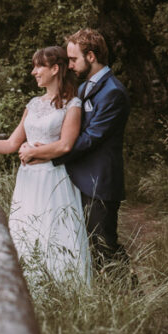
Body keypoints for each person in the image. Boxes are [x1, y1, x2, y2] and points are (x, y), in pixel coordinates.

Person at [0, 46, 91, 286]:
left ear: (55, 69)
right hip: (28, 182)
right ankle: (28, 289)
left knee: (56, 233)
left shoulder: (73, 104)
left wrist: (33, 151)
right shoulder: (34, 104)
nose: (34, 71)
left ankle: (65, 290)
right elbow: (12, 143)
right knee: (26, 231)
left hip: (54, 179)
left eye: (39, 66)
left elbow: (66, 145)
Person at [19, 28, 130, 270]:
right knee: (87, 246)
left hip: (99, 182)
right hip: (79, 179)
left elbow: (90, 138)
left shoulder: (113, 93)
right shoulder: (83, 89)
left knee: (104, 247)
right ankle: (104, 299)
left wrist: (51, 152)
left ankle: (131, 297)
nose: (69, 66)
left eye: (73, 59)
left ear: (91, 56)